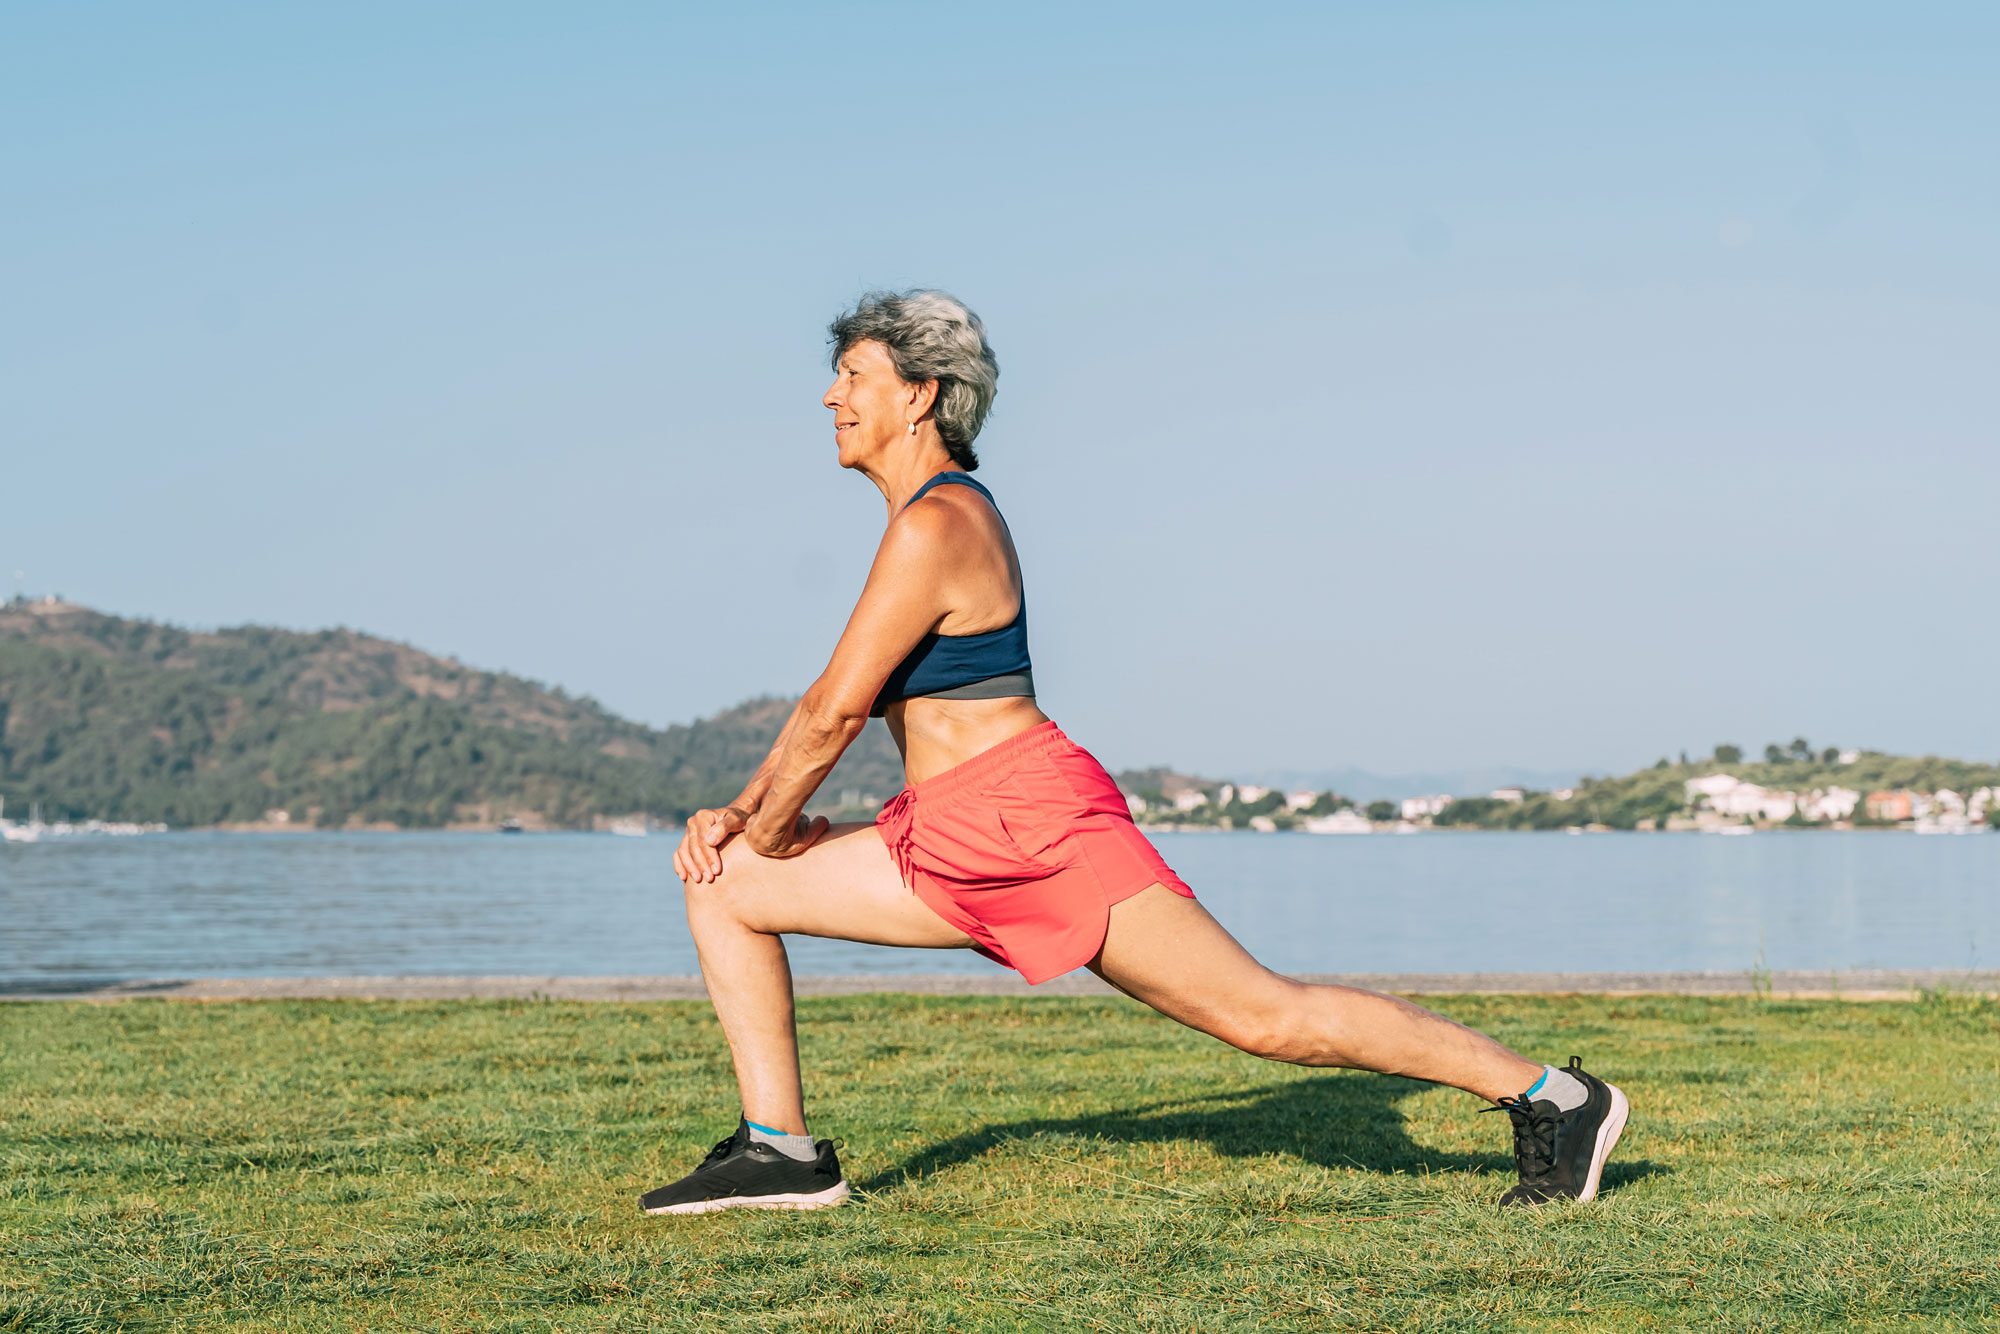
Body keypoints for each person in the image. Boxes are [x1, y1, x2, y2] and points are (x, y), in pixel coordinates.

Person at [641, 290, 1628, 1216]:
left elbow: (833, 709)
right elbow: (825, 700)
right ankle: (779, 1149)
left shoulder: (940, 521)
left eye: (852, 374)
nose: (830, 394)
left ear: (918, 394)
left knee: (1266, 1017)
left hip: (1030, 823)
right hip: (948, 836)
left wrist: (762, 821)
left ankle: (1551, 1094)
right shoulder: (917, 522)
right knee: (723, 879)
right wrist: (744, 819)